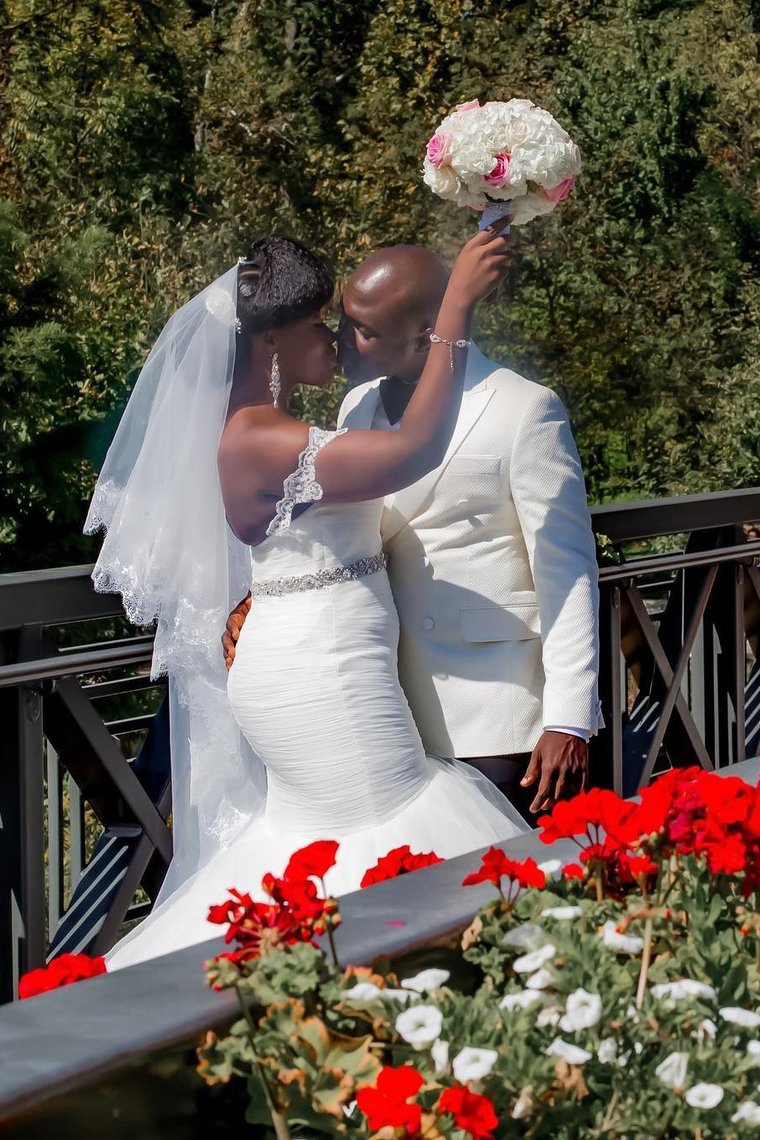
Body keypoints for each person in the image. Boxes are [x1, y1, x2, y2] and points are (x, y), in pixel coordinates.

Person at [87, 227, 527, 971]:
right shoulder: (257, 437)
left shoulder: (272, 428)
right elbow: (416, 451)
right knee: (380, 832)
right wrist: (454, 314)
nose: (333, 338)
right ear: (274, 344)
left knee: (322, 850)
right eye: (319, 322)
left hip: (314, 653)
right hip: (324, 676)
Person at [224, 244, 601, 820]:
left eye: (364, 331)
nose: (340, 340)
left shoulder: (525, 408)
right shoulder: (354, 406)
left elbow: (567, 568)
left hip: (492, 714)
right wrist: (270, 594)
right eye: (341, 321)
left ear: (426, 337)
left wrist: (569, 717)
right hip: (377, 708)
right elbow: (328, 532)